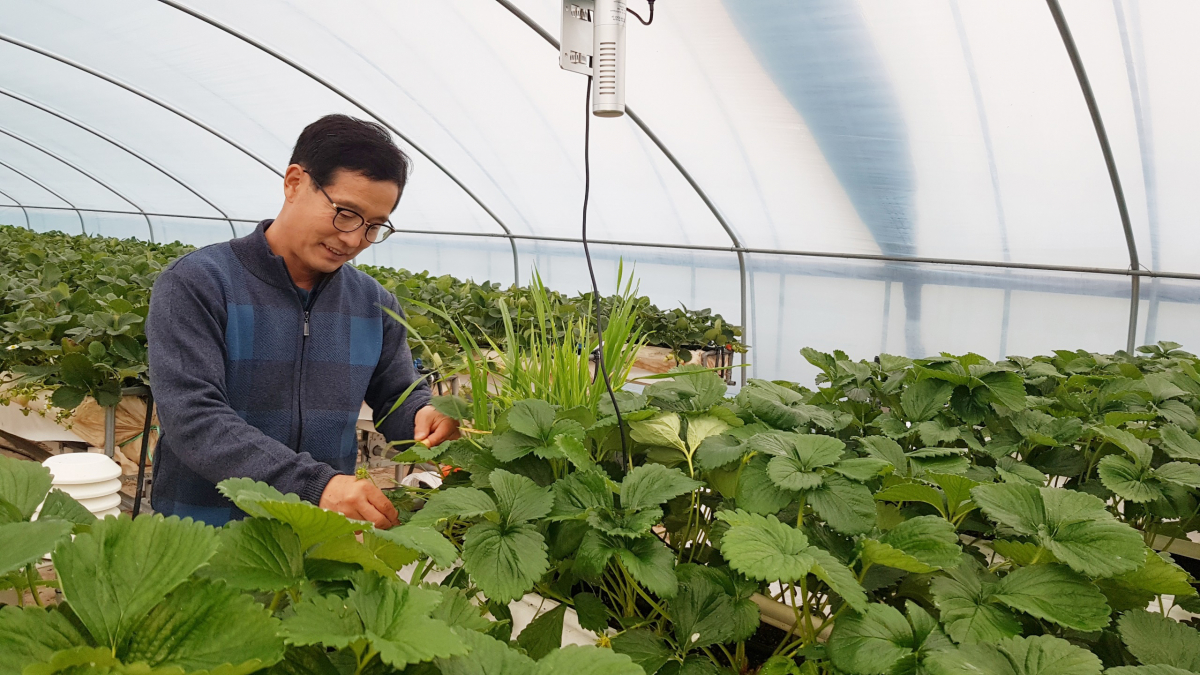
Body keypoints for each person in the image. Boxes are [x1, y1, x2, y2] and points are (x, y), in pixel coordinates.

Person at [146, 114, 459, 528]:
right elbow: (194, 419)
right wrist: (316, 486)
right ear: (294, 182)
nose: (353, 239)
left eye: (374, 226)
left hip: (315, 534)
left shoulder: (372, 303)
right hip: (205, 530)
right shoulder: (199, 283)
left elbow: (397, 395)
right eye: (346, 213)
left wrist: (426, 415)